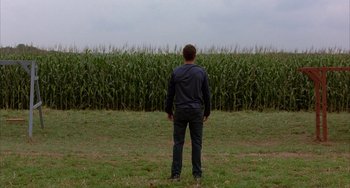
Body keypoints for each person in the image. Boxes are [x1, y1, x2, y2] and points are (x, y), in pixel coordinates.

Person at [165, 44, 211, 182]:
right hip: (196, 111)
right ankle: (197, 174)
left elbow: (170, 94)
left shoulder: (176, 72)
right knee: (197, 143)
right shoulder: (201, 72)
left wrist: (168, 110)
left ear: (183, 55)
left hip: (180, 110)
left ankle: (175, 175)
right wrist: (207, 112)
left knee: (178, 143)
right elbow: (206, 95)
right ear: (194, 55)